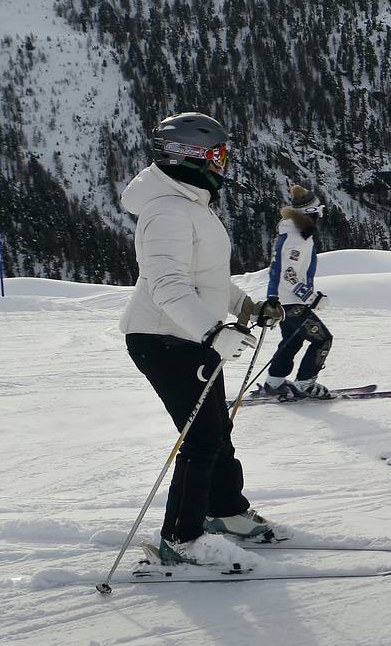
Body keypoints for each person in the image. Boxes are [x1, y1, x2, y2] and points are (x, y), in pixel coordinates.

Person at [119, 112, 287, 566]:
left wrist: (247, 308)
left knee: (216, 429)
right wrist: (212, 331)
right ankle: (182, 538)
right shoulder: (166, 212)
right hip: (163, 338)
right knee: (202, 436)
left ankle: (226, 511)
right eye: (219, 154)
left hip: (188, 335)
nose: (223, 163)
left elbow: (208, 279)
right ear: (194, 154)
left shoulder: (191, 205)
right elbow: (167, 285)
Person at [253, 184, 334, 401]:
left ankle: (275, 381)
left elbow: (277, 268)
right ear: (310, 214)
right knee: (323, 340)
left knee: (294, 340)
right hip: (294, 302)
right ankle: (305, 384)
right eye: (319, 212)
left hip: (284, 301)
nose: (320, 216)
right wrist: (311, 297)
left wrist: (273, 297)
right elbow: (289, 274)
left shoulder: (290, 233)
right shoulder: (297, 238)